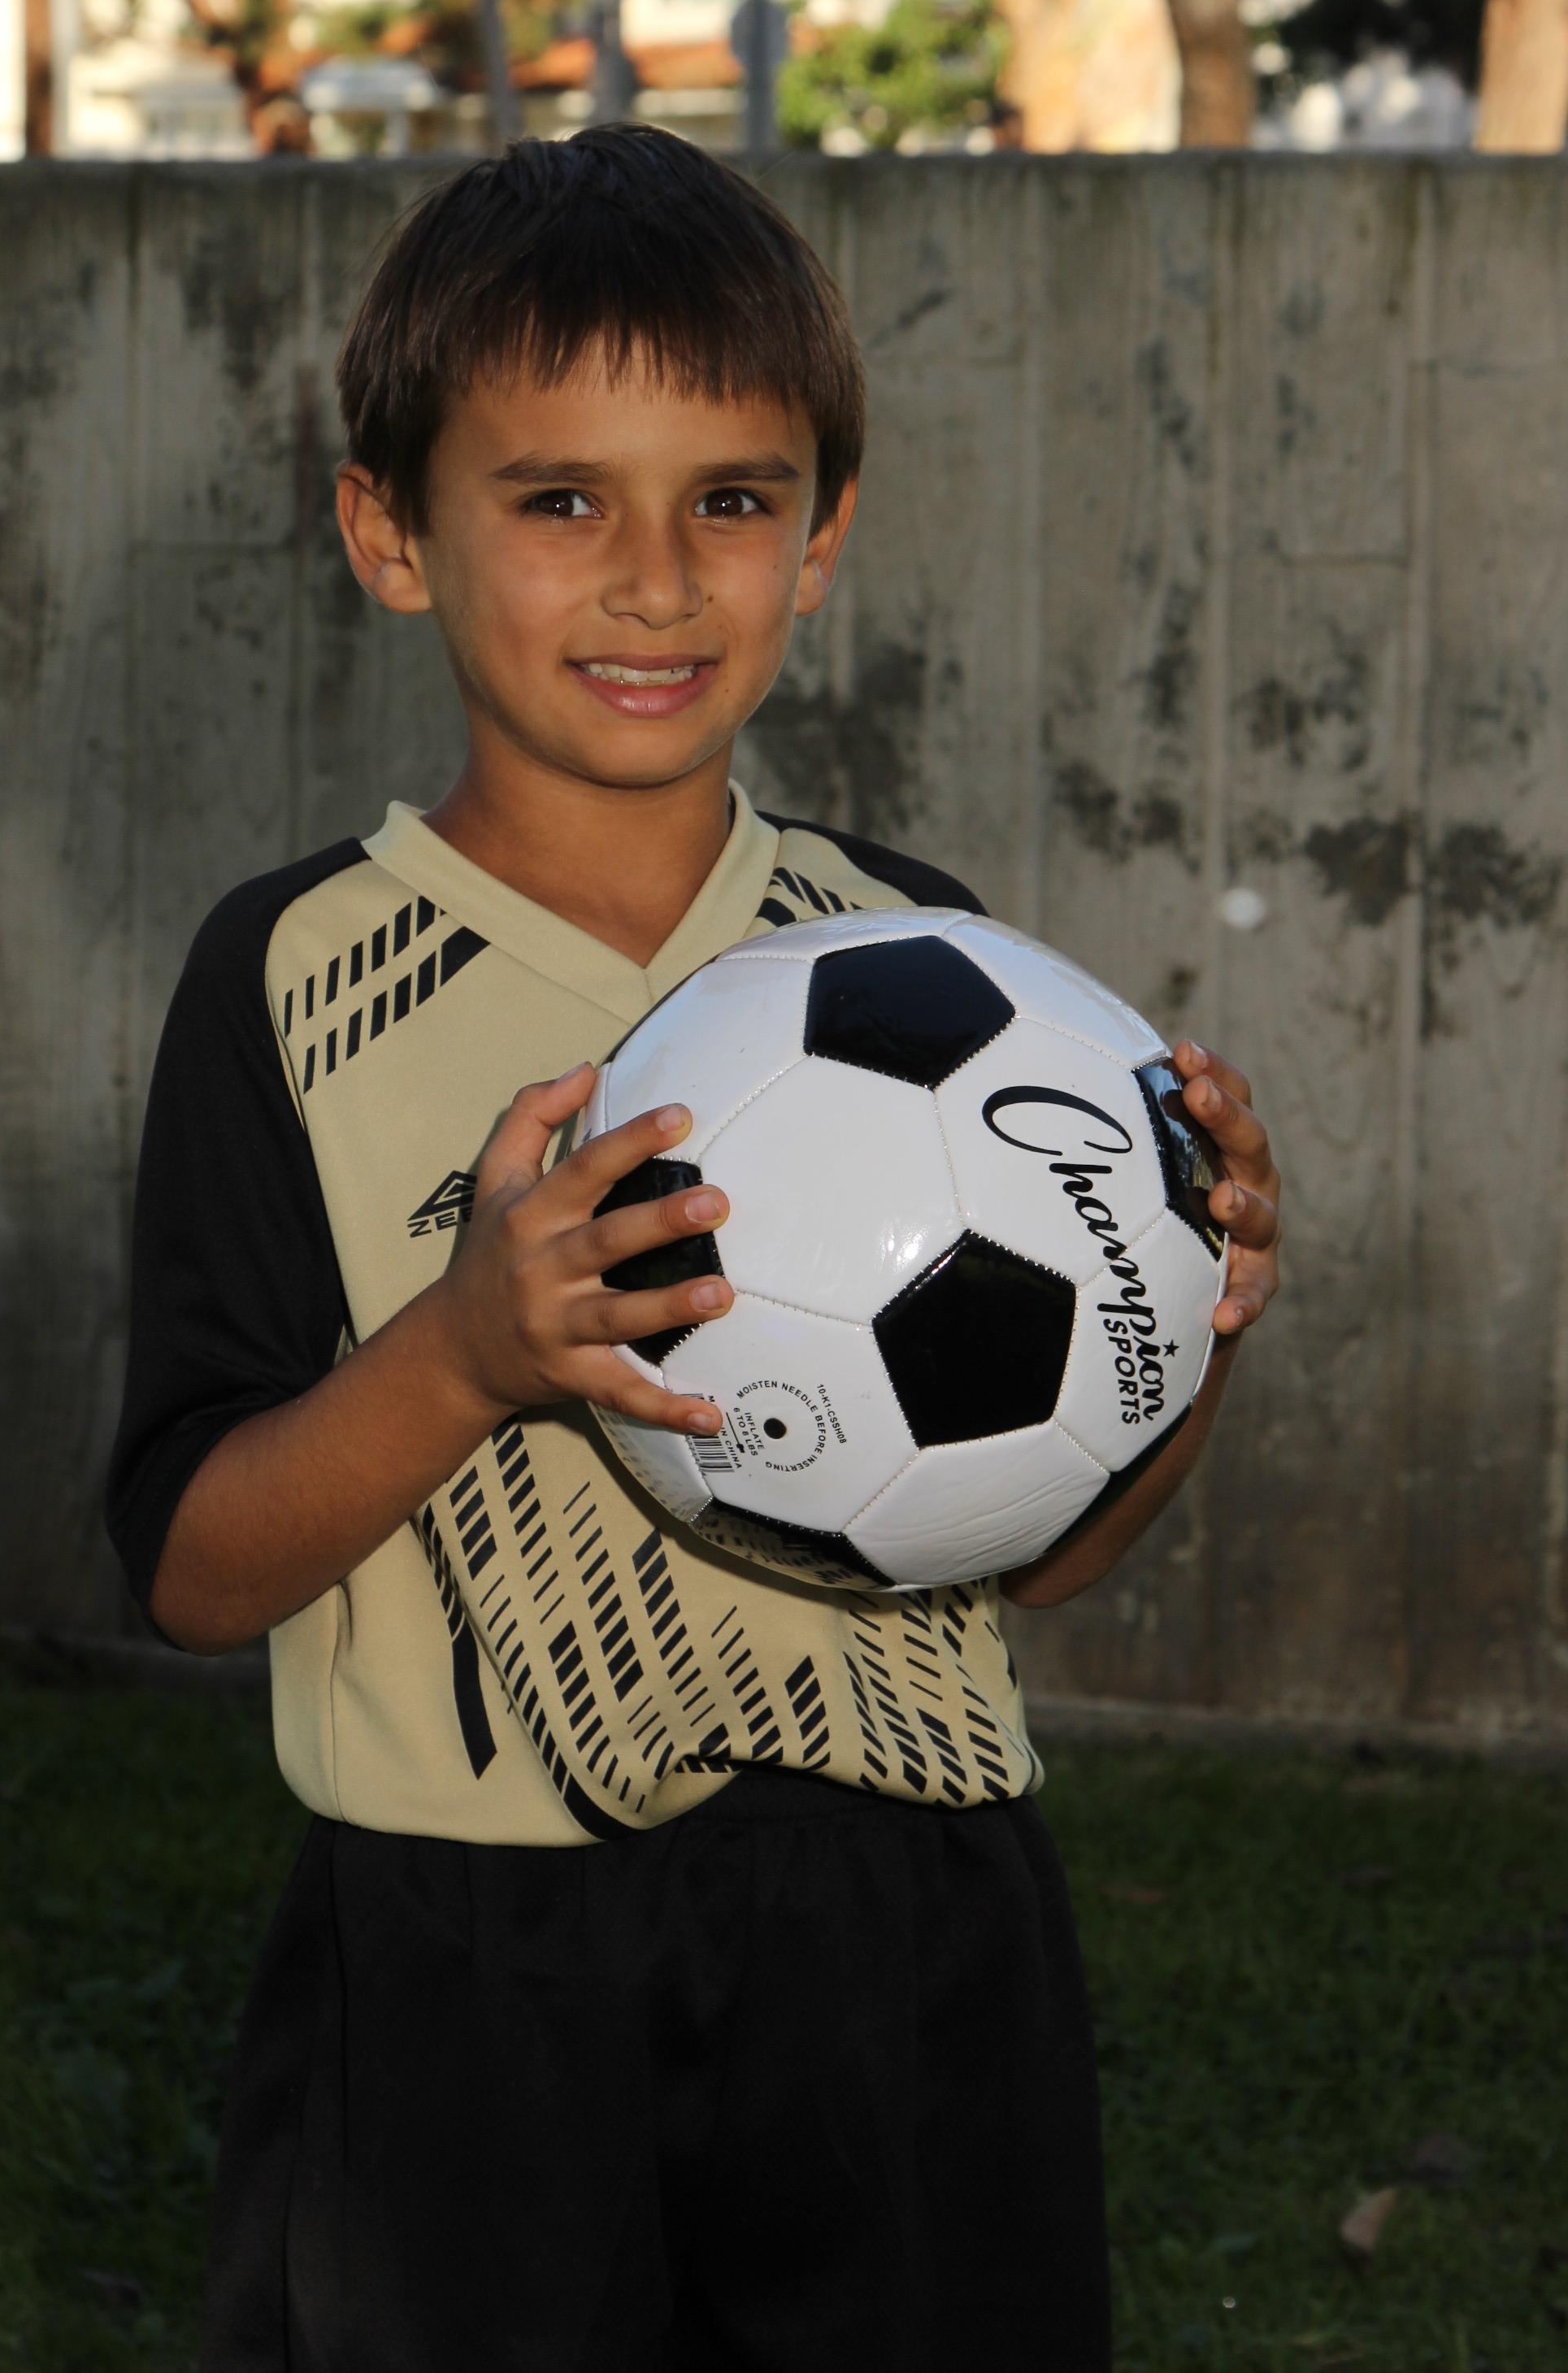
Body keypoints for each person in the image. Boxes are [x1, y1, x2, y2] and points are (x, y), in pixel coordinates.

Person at [106, 126, 1283, 2373]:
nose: (654, 580)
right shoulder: (288, 980)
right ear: (390, 532)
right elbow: (191, 1564)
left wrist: (1192, 1312)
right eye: (561, 499)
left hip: (912, 1930)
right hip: (468, 1956)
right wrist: (468, 1350)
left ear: (820, 540)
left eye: (731, 499)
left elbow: (1052, 1556)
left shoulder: (929, 952)